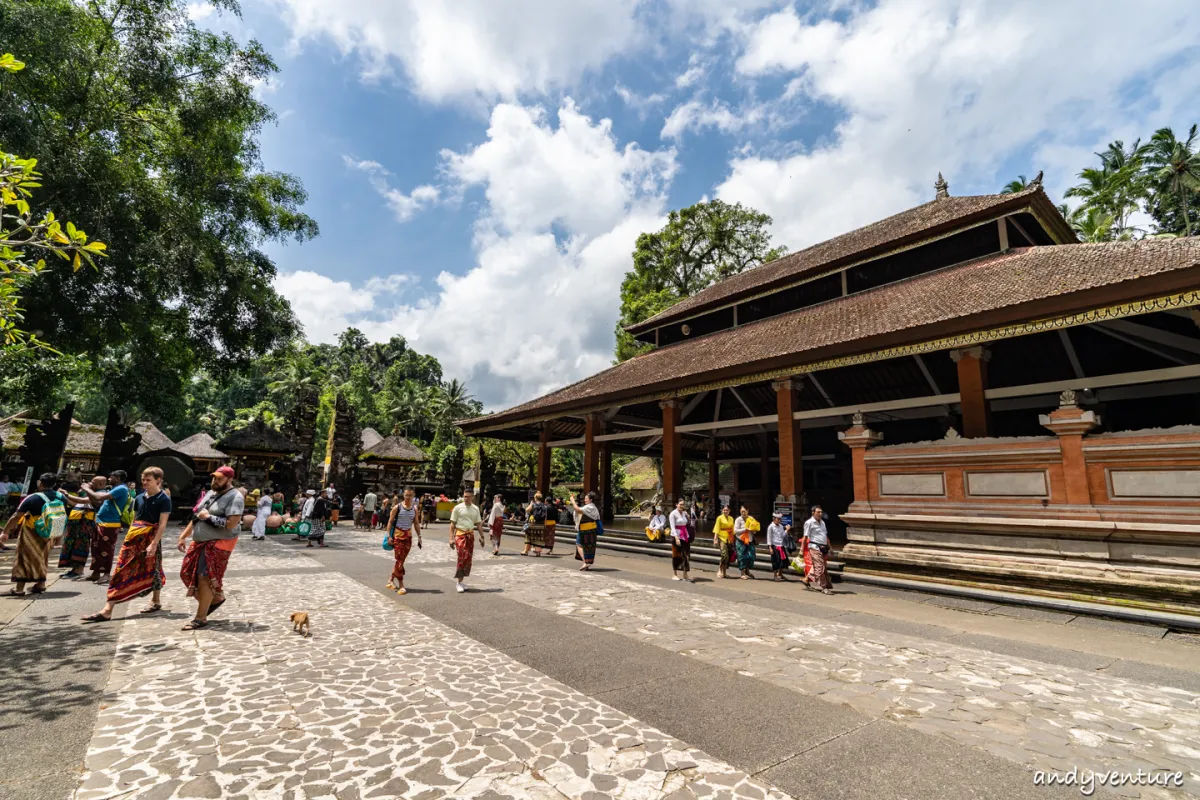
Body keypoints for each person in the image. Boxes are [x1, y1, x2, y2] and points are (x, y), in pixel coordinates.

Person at [81, 467, 172, 622]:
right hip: (134, 537)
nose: (144, 482)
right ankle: (108, 609)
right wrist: (129, 535)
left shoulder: (164, 499)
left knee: (154, 567)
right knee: (121, 569)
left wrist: (154, 543)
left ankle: (154, 601)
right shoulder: (139, 497)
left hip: (150, 537)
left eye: (148, 480)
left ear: (158, 480)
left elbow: (162, 524)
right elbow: (134, 519)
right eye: (143, 479)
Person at [177, 466, 245, 630]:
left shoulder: (235, 497)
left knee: (204, 577)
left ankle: (201, 617)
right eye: (214, 478)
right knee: (186, 572)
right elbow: (197, 516)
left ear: (229, 480)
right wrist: (183, 536)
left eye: (219, 478)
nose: (215, 481)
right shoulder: (210, 493)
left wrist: (209, 517)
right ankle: (215, 598)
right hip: (200, 542)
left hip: (218, 543)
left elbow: (231, 524)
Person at [1, 473, 68, 596]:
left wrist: (5, 532)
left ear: (40, 483)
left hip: (32, 532)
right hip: (51, 532)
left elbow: (16, 516)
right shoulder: (61, 497)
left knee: (23, 557)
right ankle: (40, 584)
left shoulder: (33, 497)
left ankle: (19, 589)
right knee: (42, 556)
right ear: (54, 484)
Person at [82, 469, 130, 584]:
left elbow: (99, 498)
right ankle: (96, 572)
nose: (109, 479)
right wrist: (89, 491)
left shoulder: (121, 488)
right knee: (96, 547)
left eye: (111, 477)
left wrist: (86, 488)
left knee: (106, 549)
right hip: (101, 521)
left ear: (118, 478)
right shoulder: (114, 489)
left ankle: (106, 574)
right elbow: (97, 502)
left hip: (110, 523)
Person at [58, 475, 105, 578]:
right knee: (71, 544)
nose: (89, 483)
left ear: (100, 484)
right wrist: (64, 497)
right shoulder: (87, 493)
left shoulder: (100, 494)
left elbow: (82, 501)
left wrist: (67, 494)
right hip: (76, 521)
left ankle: (79, 570)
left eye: (93, 482)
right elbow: (75, 504)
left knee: (81, 544)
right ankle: (73, 569)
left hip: (85, 522)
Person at [387, 486, 422, 594]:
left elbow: (416, 523)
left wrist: (419, 536)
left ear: (414, 495)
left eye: (410, 495)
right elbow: (390, 521)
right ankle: (401, 585)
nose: (408, 497)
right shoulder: (397, 508)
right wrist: (389, 536)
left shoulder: (414, 508)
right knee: (399, 560)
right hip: (397, 537)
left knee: (401, 560)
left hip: (408, 537)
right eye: (406, 495)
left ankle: (390, 580)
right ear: (403, 495)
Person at [448, 488, 482, 593]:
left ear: (473, 497)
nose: (466, 498)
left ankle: (461, 581)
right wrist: (451, 538)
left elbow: (479, 523)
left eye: (468, 496)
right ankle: (458, 582)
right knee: (462, 556)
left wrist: (482, 536)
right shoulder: (458, 508)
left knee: (468, 558)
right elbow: (452, 524)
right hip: (460, 535)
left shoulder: (476, 509)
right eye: (465, 496)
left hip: (470, 535)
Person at [803, 505, 833, 595]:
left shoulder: (823, 522)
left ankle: (806, 579)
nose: (820, 514)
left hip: (823, 548)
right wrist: (801, 551)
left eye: (821, 512)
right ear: (813, 512)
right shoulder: (809, 523)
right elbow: (805, 537)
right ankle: (824, 587)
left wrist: (830, 547)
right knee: (820, 567)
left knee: (821, 566)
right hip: (814, 547)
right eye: (818, 512)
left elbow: (825, 536)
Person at [570, 491, 600, 571]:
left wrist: (573, 501)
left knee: (579, 544)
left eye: (586, 498)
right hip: (588, 529)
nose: (585, 500)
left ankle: (585, 562)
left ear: (590, 500)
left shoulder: (590, 507)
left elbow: (578, 510)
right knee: (587, 546)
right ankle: (586, 562)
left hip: (586, 529)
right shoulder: (591, 507)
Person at [669, 498, 692, 582]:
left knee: (686, 555)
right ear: (676, 504)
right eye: (680, 504)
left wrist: (688, 517)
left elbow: (688, 523)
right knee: (676, 555)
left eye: (683, 504)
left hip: (685, 535)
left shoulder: (684, 513)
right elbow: (672, 526)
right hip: (677, 535)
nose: (681, 506)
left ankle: (685, 573)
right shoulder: (673, 514)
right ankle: (674, 573)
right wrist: (676, 537)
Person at [733, 505, 758, 580]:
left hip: (749, 541)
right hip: (741, 541)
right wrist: (745, 529)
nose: (743, 513)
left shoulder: (751, 519)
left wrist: (752, 530)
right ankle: (742, 573)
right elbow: (736, 531)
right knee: (742, 557)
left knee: (751, 556)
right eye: (742, 511)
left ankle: (747, 570)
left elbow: (755, 531)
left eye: (744, 511)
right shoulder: (738, 520)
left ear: (748, 511)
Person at [766, 511, 792, 582]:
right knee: (775, 561)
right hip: (774, 546)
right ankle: (775, 575)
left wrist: (787, 530)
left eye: (780, 519)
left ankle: (780, 574)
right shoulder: (771, 527)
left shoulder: (781, 526)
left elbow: (783, 536)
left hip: (781, 545)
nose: (779, 520)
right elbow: (769, 537)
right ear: (774, 519)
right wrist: (770, 547)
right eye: (778, 519)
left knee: (783, 561)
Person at [712, 504, 736, 579]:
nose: (725, 511)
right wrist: (715, 539)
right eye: (724, 510)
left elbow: (733, 529)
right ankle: (720, 570)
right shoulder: (719, 518)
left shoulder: (731, 518)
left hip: (729, 538)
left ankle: (724, 572)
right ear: (722, 510)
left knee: (727, 556)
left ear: (729, 511)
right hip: (721, 537)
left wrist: (733, 538)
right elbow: (717, 528)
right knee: (724, 554)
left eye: (727, 510)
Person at [522, 492, 547, 556]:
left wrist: (531, 504)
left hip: (533, 522)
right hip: (541, 524)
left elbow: (527, 510)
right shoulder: (544, 505)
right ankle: (538, 552)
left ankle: (526, 551)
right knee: (538, 538)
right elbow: (545, 516)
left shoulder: (533, 504)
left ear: (535, 498)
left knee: (528, 536)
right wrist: (545, 524)